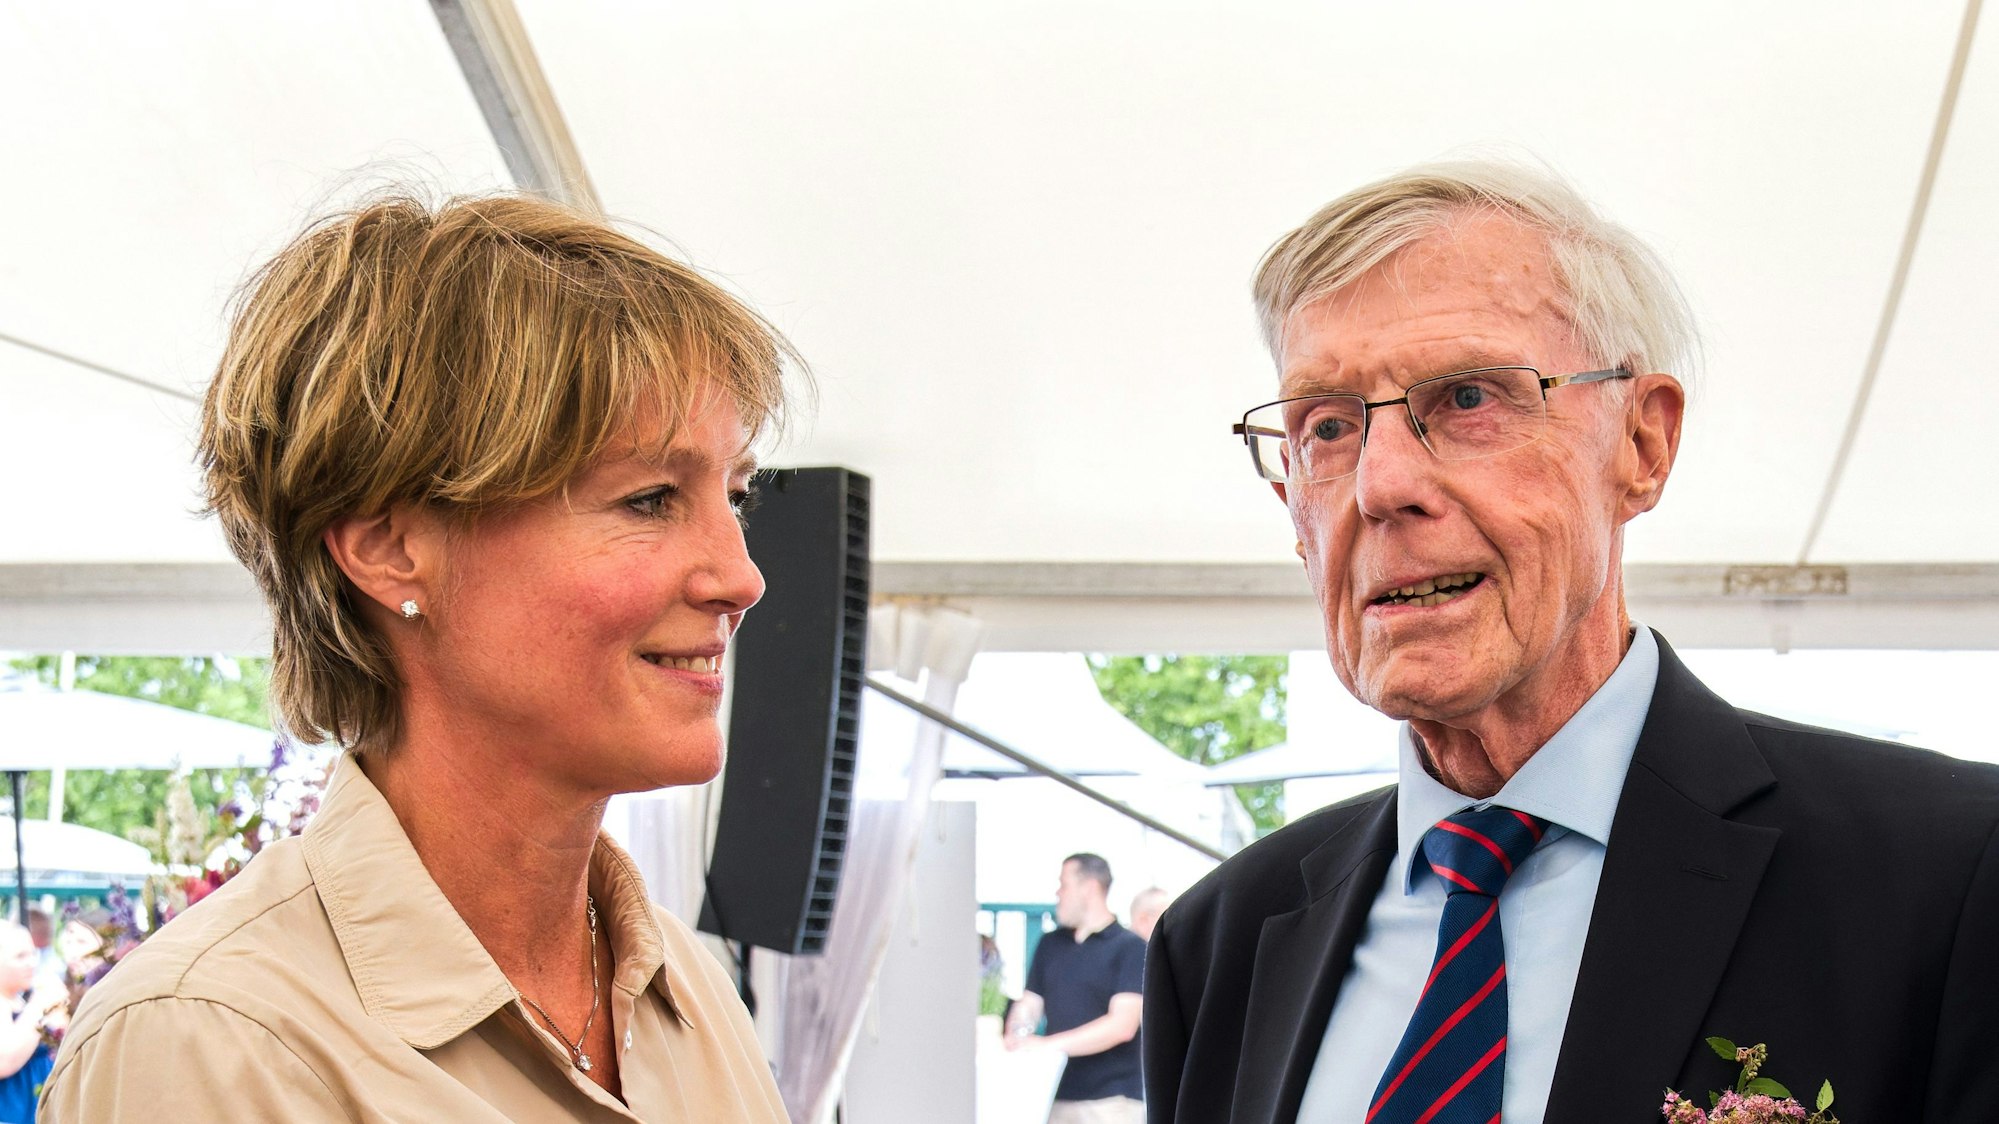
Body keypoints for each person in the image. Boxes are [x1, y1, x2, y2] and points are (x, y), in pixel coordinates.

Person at [1143, 159, 1999, 1124]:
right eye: (1327, 427)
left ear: (1641, 445)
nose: (1379, 486)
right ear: (1290, 504)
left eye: (1465, 399)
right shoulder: (1218, 944)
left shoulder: (1949, 876)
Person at [41, 193, 803, 1122]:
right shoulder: (212, 1039)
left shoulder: (690, 996)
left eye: (735, 495)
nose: (742, 575)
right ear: (389, 547)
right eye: (648, 499)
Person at [1007, 854, 1147, 1124]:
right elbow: (1030, 1004)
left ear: (1089, 887)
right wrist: (1017, 1031)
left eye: (1064, 884)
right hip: (1052, 1096)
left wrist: (1045, 1047)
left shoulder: (1131, 948)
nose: (1057, 893)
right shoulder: (1050, 944)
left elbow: (1122, 1025)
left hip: (1110, 1103)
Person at [0, 922, 62, 1122]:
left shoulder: (23, 999)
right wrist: (41, 1003)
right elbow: (4, 1061)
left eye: (32, 954)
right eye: (20, 957)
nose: (31, 963)